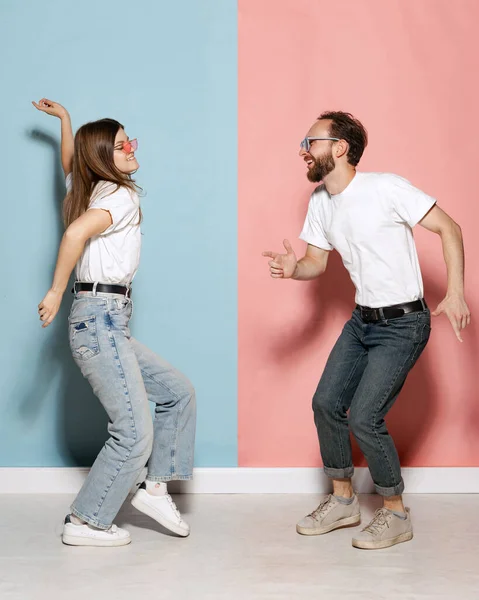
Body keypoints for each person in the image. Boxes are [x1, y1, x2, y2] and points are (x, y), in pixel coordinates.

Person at [262, 111, 470, 550]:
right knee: (325, 403)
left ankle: (395, 513)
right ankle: (343, 502)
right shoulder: (321, 201)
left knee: (364, 417)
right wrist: (292, 269)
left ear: (340, 147)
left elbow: (449, 227)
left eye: (311, 140)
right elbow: (316, 262)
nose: (304, 149)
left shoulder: (386, 188)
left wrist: (455, 293)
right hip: (362, 321)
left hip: (403, 324)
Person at [33, 98, 196, 547]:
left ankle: (155, 487)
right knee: (132, 433)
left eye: (128, 141)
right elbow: (74, 233)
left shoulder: (86, 188)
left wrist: (65, 121)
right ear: (104, 159)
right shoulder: (118, 196)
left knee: (177, 393)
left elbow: (71, 161)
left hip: (107, 321)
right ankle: (85, 522)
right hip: (100, 319)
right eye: (121, 145)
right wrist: (52, 290)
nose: (130, 149)